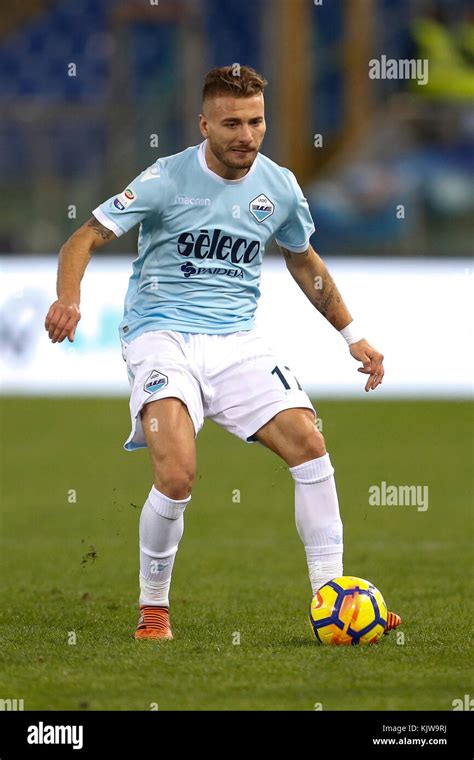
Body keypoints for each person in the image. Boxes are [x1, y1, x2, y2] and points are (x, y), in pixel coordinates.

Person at [45, 65, 401, 641]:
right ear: (204, 123)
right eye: (232, 123)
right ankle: (153, 610)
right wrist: (69, 299)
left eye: (256, 121)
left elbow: (302, 260)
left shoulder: (279, 186)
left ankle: (334, 599)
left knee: (311, 445)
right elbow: (81, 237)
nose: (246, 135)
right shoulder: (166, 178)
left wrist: (352, 335)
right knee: (178, 473)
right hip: (160, 335)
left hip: (237, 341)